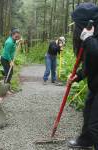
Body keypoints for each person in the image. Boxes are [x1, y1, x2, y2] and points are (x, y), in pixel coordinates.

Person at [68, 3, 98, 150]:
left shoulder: (90, 37)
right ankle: (86, 140)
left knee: (95, 124)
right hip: (95, 85)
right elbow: (90, 64)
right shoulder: (89, 36)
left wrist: (89, 40)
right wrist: (78, 76)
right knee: (87, 112)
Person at [0, 28, 21, 94]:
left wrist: (18, 41)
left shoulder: (13, 40)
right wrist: (10, 61)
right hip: (5, 59)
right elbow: (6, 53)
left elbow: (14, 44)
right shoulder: (9, 42)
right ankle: (6, 89)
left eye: (18, 36)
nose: (17, 37)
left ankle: (8, 87)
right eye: (16, 36)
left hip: (9, 59)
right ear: (12, 35)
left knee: (10, 73)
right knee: (8, 73)